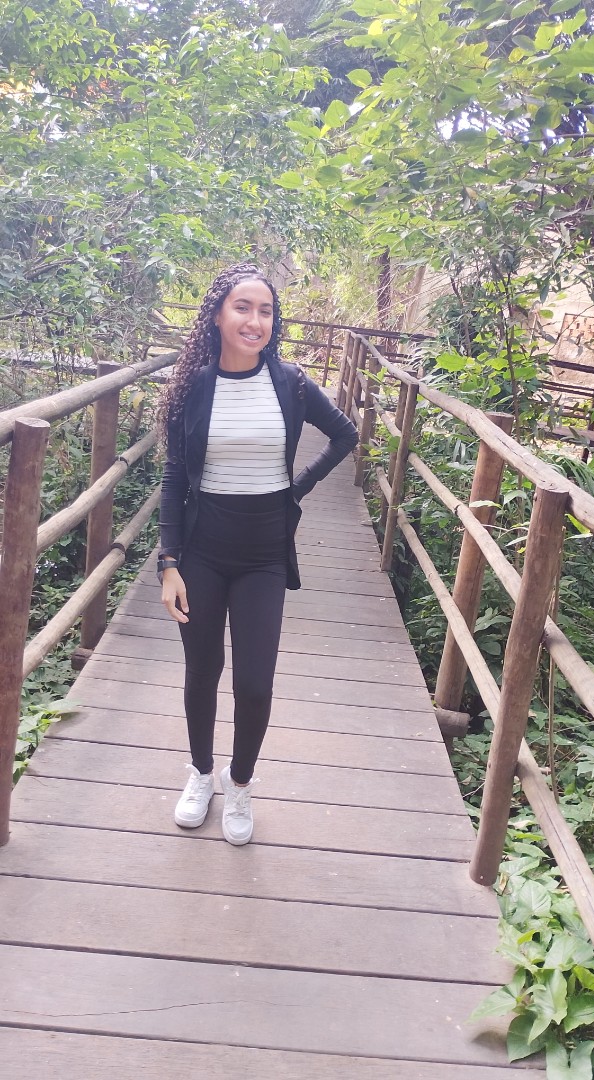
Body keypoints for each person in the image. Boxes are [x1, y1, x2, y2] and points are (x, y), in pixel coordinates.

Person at [157, 263, 358, 846]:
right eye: (242, 307)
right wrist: (169, 563)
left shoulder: (290, 383)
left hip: (265, 554)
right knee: (202, 670)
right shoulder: (193, 387)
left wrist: (297, 488)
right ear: (217, 315)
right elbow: (174, 478)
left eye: (266, 310)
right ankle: (201, 773)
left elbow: (345, 434)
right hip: (202, 551)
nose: (255, 320)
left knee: (255, 684)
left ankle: (239, 781)